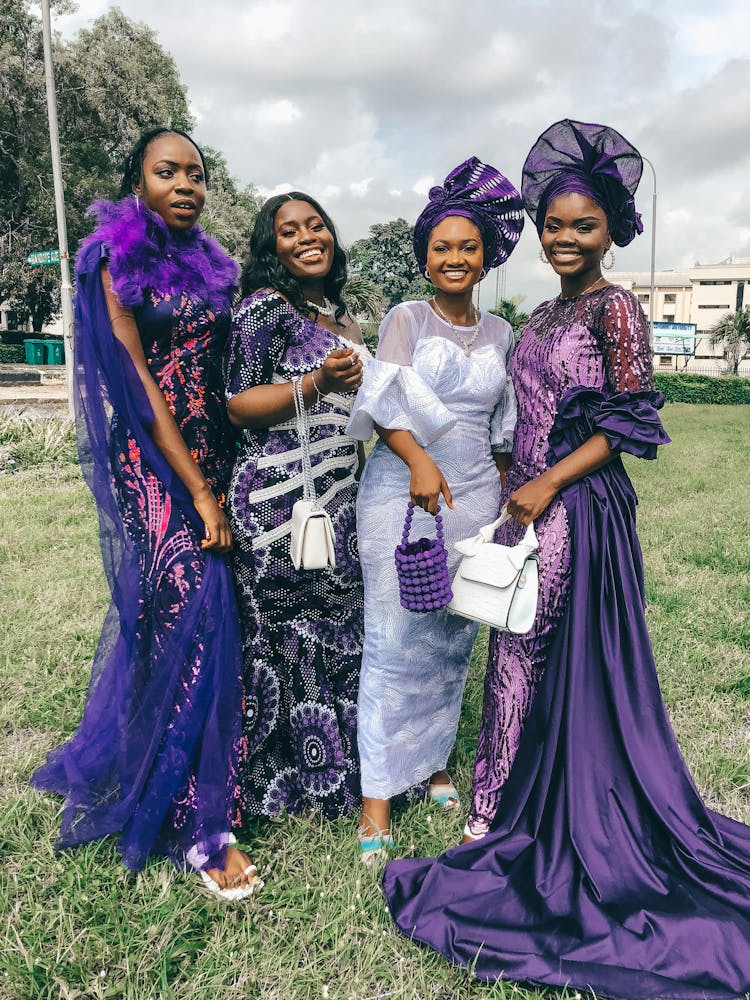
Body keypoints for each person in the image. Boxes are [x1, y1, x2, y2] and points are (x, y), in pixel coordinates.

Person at [382, 120, 750, 998]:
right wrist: (516, 477)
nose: (564, 238)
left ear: (612, 228)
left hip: (578, 509)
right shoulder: (541, 313)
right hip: (531, 502)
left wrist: (545, 486)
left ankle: (503, 815)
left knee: (535, 653)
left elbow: (631, 421)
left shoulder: (615, 308)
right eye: (553, 225)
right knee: (518, 651)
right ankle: (502, 805)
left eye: (582, 225)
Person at [30, 128, 259, 899]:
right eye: (169, 172)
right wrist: (193, 487)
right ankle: (198, 821)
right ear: (136, 182)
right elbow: (134, 375)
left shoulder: (212, 265)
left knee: (206, 616)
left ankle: (190, 763)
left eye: (198, 172)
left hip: (217, 457)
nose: (186, 184)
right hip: (156, 466)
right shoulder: (106, 258)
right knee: (187, 611)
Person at [346, 157, 524, 864]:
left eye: (467, 246)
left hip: (476, 497)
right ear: (425, 258)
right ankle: (376, 798)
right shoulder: (404, 318)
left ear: (486, 257)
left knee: (453, 642)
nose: (454, 257)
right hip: (402, 494)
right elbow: (383, 403)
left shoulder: (505, 331)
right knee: (394, 641)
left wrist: (511, 504)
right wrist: (418, 459)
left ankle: (433, 765)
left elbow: (504, 427)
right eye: (442, 247)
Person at [225, 192, 365, 825]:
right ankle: (276, 779)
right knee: (283, 639)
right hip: (279, 500)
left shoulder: (343, 320)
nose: (308, 237)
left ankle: (337, 770)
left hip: (338, 499)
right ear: (271, 246)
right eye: (290, 231)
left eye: (317, 226)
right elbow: (238, 403)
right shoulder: (264, 309)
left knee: (336, 634)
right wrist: (318, 382)